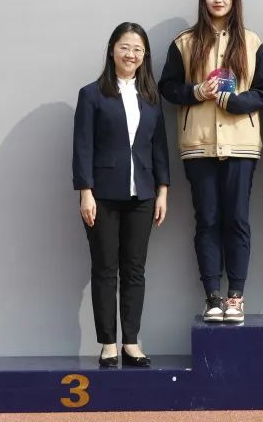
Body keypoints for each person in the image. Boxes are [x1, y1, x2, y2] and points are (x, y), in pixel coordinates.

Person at [159, 0, 263, 323]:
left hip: (241, 145)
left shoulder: (251, 41)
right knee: (207, 220)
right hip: (199, 145)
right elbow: (167, 87)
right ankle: (212, 296)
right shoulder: (184, 42)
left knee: (237, 219)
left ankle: (236, 297)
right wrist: (197, 92)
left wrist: (235, 102)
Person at [73, 22, 170, 367]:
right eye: (125, 47)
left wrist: (162, 191)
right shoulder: (92, 94)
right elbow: (82, 147)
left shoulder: (151, 97)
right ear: (112, 50)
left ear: (145, 55)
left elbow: (159, 147)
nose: (131, 54)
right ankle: (108, 344)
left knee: (134, 269)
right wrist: (85, 192)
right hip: (102, 194)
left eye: (138, 49)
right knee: (104, 268)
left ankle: (130, 341)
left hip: (143, 194)